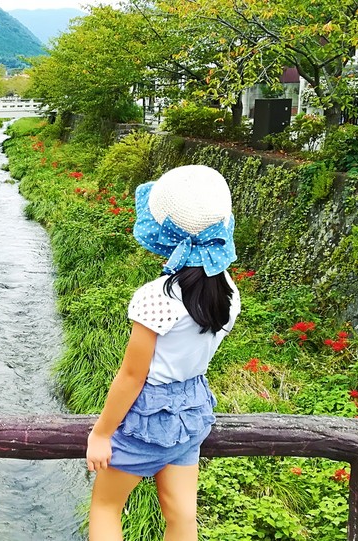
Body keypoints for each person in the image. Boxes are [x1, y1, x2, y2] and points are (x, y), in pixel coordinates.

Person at [85, 164, 242, 541]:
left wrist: (101, 434)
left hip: (148, 417)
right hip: (193, 411)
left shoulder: (159, 295)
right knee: (182, 515)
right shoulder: (229, 291)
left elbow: (132, 376)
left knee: (106, 507)